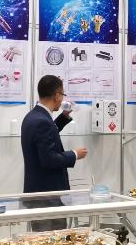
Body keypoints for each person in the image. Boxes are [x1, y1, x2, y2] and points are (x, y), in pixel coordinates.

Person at [21, 76, 88, 230]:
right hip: (47, 198)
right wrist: (74, 154)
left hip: (38, 195)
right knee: (52, 241)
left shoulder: (33, 116)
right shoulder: (42, 121)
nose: (62, 99)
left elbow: (47, 134)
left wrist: (64, 117)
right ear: (57, 96)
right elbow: (49, 159)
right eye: (62, 95)